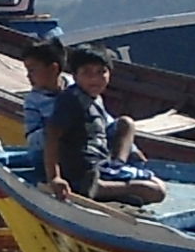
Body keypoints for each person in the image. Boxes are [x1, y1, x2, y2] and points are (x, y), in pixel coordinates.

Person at [47, 47, 167, 208]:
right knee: (157, 190)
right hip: (83, 171)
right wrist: (55, 178)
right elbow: (52, 137)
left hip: (101, 162)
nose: (95, 78)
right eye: (87, 73)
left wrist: (132, 150)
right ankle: (99, 189)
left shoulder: (94, 97)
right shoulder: (70, 101)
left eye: (101, 72)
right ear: (75, 75)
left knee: (125, 123)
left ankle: (116, 168)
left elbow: (108, 128)